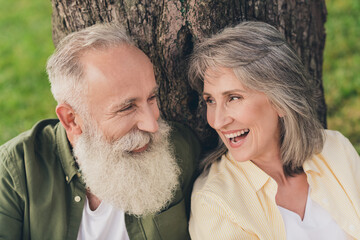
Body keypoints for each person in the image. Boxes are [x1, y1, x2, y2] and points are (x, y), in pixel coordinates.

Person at [0, 23, 201, 240]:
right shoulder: (14, 172)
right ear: (72, 120)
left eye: (151, 98)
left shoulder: (180, 148)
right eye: (127, 107)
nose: (152, 125)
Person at [188, 21, 360, 239]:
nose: (218, 121)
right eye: (210, 100)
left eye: (233, 98)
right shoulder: (216, 203)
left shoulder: (335, 149)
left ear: (280, 101)